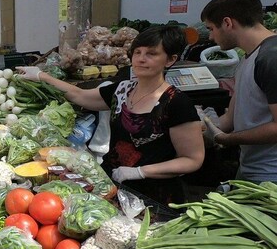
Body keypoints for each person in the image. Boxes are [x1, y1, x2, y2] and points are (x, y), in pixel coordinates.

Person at [17, 25, 204, 205]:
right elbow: (79, 95)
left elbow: (192, 159)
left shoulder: (177, 103)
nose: (141, 59)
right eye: (137, 52)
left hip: (155, 196)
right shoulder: (121, 90)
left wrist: (140, 172)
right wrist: (42, 76)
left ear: (170, 60)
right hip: (112, 186)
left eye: (151, 54)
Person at [200, 0, 277, 182]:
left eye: (211, 29)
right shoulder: (247, 59)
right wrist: (203, 125)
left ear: (227, 23)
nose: (210, 37)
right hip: (250, 168)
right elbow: (230, 120)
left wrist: (228, 139)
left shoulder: (270, 58)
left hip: (270, 176)